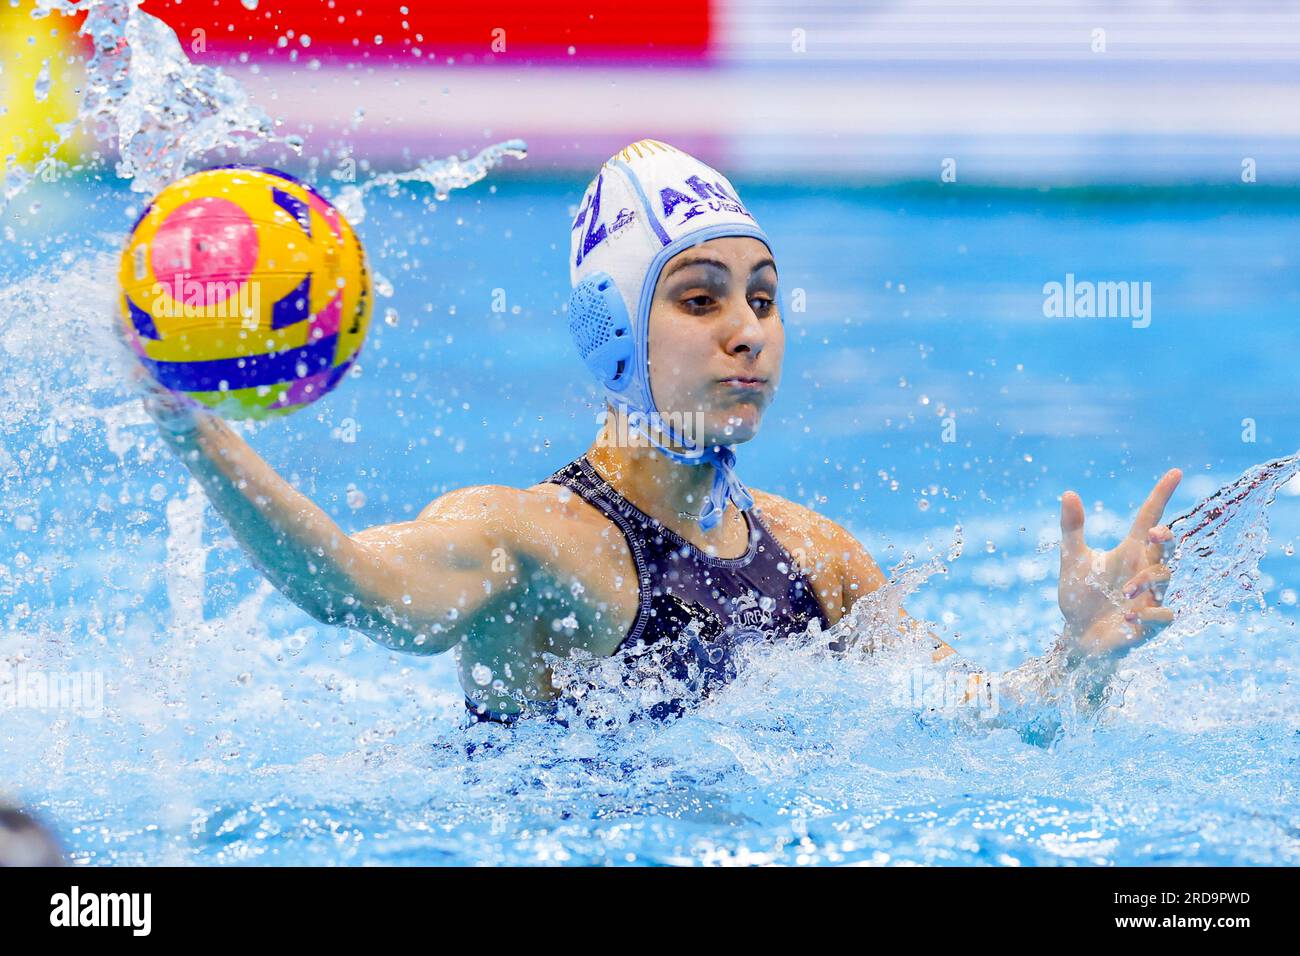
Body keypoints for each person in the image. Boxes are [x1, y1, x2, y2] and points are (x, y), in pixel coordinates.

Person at [126, 139, 1179, 726]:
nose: (746, 333)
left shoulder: (819, 556)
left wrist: (1080, 654)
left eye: (764, 299)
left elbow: (989, 724)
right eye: (699, 298)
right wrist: (188, 426)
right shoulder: (529, 540)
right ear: (614, 333)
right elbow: (353, 591)